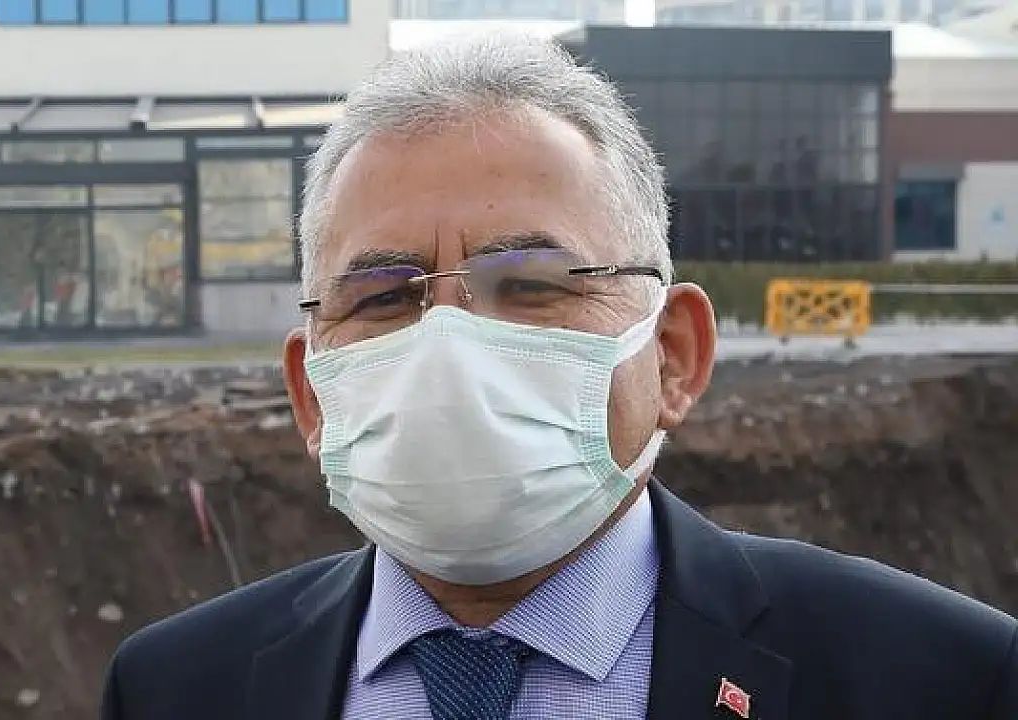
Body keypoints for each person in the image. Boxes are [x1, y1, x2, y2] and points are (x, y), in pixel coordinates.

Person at [99, 32, 1017, 720]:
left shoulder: (943, 681)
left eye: (530, 285)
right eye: (383, 298)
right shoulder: (175, 689)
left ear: (674, 354)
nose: (451, 347)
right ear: (309, 394)